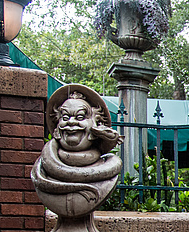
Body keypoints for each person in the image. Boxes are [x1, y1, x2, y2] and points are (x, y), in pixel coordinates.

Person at [31, 84, 123, 218]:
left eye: (80, 117)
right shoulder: (42, 169)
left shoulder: (110, 166)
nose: (71, 122)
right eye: (65, 117)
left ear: (96, 125)